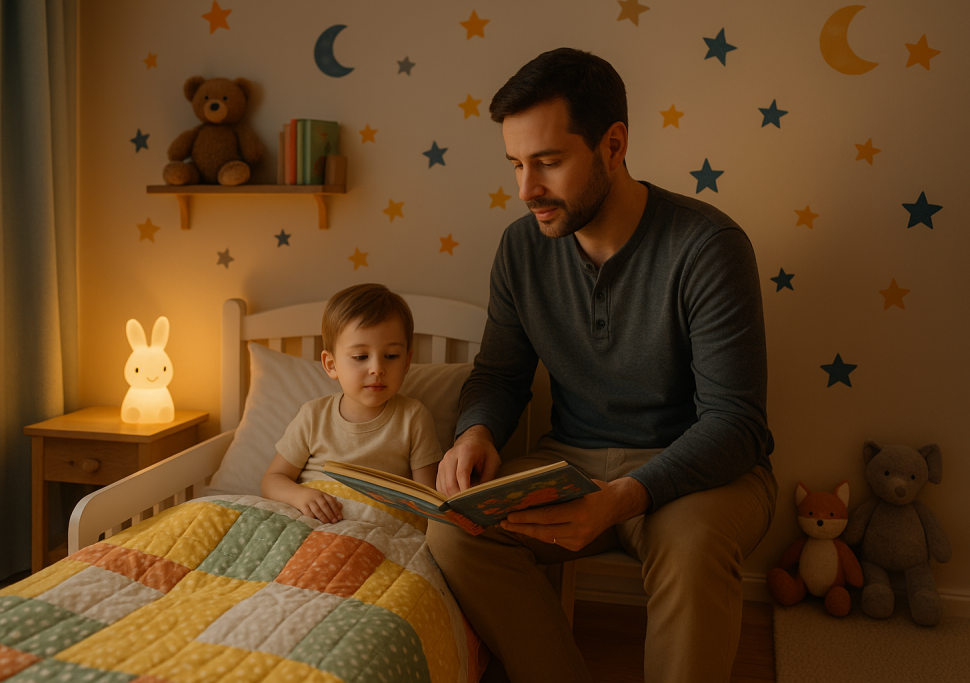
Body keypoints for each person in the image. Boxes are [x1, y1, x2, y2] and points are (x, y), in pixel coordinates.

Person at [426, 48, 778, 683]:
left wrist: (621, 500)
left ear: (613, 146)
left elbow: (736, 423)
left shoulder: (708, 247)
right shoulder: (520, 248)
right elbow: (501, 377)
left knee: (693, 548)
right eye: (516, 165)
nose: (526, 189)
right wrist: (475, 432)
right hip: (576, 460)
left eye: (550, 163)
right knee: (454, 532)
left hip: (699, 472)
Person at [261, 283, 442, 523]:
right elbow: (272, 480)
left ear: (407, 361)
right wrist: (300, 495)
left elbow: (426, 501)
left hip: (375, 528)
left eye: (391, 356)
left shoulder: (413, 417)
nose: (377, 369)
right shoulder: (314, 416)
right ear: (331, 364)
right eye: (360, 357)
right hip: (312, 523)